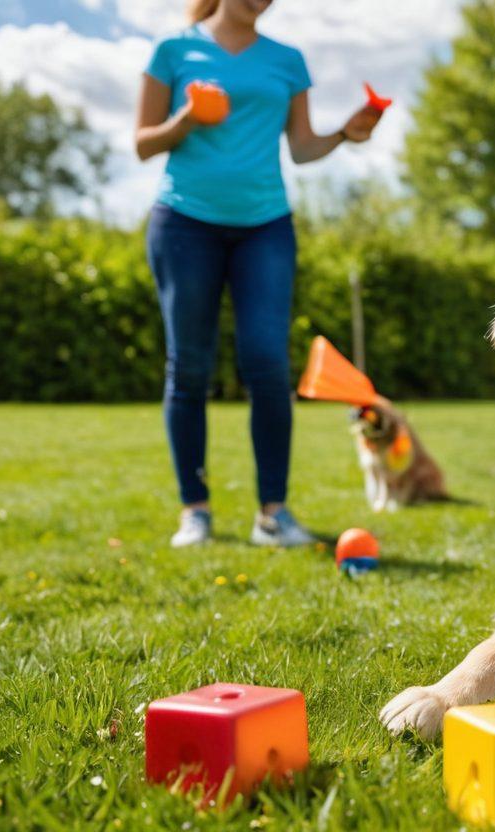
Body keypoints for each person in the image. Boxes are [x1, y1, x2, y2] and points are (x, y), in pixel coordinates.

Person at [135, 0, 381, 547]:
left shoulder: (286, 60)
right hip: (184, 223)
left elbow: (302, 148)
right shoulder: (174, 50)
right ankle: (195, 511)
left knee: (268, 363)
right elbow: (142, 144)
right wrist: (187, 118)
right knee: (189, 368)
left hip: (265, 226)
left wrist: (344, 133)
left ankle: (274, 515)